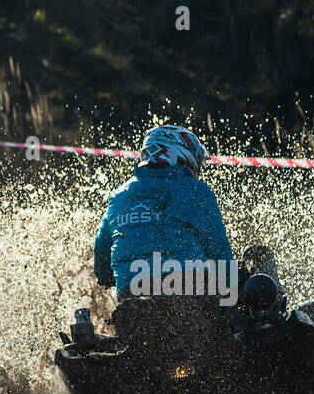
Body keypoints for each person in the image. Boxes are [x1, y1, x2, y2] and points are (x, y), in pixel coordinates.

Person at [94, 125, 233, 310]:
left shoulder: (119, 195)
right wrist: (235, 289)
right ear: (182, 153)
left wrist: (106, 278)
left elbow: (101, 249)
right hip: (189, 291)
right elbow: (218, 250)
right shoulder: (196, 190)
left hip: (131, 296)